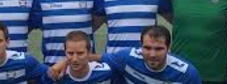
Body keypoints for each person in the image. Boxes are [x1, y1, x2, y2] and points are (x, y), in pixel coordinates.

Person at [64, 25, 200, 84]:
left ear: (168, 48)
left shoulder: (186, 74)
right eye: (147, 48)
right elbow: (94, 57)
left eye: (158, 49)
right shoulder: (126, 58)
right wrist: (64, 63)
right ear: (140, 46)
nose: (152, 54)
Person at [43, 30, 115, 84]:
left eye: (80, 53)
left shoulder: (105, 71)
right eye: (70, 53)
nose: (75, 59)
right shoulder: (57, 76)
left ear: (89, 52)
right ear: (65, 52)